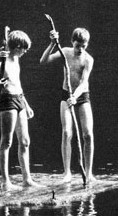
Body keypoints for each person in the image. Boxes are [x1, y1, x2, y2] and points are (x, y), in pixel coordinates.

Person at [39, 27, 95, 183]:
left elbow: (84, 83)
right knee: (66, 132)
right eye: (78, 46)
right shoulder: (65, 52)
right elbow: (43, 61)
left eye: (84, 46)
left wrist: (75, 96)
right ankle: (67, 173)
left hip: (82, 96)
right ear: (72, 42)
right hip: (66, 95)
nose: (80, 49)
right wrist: (52, 43)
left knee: (88, 134)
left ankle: (89, 173)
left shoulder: (88, 60)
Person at [0, 29, 37, 190]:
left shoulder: (16, 59)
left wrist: (26, 105)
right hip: (6, 99)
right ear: (16, 47)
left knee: (25, 141)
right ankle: (5, 181)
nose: (25, 52)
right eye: (24, 48)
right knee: (7, 141)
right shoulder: (2, 58)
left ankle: (27, 179)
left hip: (19, 98)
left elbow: (17, 82)